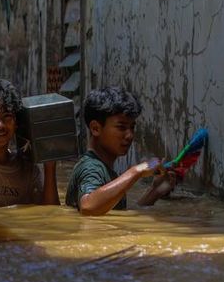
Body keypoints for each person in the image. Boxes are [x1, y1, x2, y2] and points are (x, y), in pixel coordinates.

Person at [66, 86, 177, 216]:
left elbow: (118, 213)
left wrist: (156, 191)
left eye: (132, 127)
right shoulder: (91, 167)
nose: (130, 135)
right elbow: (88, 206)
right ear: (95, 128)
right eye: (121, 127)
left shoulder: (104, 168)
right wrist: (137, 171)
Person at [0, 77, 59, 207]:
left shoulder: (28, 169)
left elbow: (50, 215)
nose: (0, 125)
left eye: (7, 116)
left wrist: (50, 166)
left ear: (16, 123)